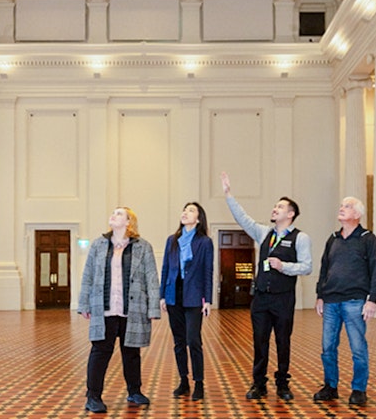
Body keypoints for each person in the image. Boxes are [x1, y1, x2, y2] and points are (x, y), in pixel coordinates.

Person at [220, 171, 312, 401]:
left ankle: (283, 384)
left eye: (280, 207)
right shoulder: (264, 234)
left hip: (283, 299)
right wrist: (229, 195)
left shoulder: (301, 238)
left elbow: (307, 267)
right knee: (259, 342)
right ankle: (258, 384)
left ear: (290, 214)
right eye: (274, 206)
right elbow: (243, 219)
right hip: (261, 298)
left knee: (283, 341)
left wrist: (284, 266)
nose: (275, 209)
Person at [78, 206, 161, 414]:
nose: (113, 216)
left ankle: (134, 391)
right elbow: (88, 276)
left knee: (131, 353)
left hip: (132, 309)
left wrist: (153, 308)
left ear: (128, 222)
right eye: (113, 213)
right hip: (104, 309)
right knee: (99, 353)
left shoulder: (144, 247)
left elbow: (151, 278)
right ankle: (93, 396)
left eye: (119, 214)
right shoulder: (98, 245)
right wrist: (84, 304)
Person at [312, 196, 376, 407]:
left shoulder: (367, 238)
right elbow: (324, 268)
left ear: (357, 214)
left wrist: (372, 299)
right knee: (327, 347)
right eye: (341, 205)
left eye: (348, 206)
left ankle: (359, 389)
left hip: (355, 301)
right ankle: (330, 387)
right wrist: (320, 295)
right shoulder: (333, 239)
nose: (342, 208)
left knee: (358, 347)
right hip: (331, 301)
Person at [159, 202, 214, 401]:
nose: (185, 212)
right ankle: (183, 380)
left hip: (194, 296)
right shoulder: (172, 240)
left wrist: (208, 299)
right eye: (184, 209)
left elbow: (208, 270)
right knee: (179, 342)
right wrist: (162, 296)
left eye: (191, 210)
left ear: (198, 219)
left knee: (193, 340)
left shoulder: (204, 242)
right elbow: (165, 268)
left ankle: (199, 382)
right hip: (174, 295)